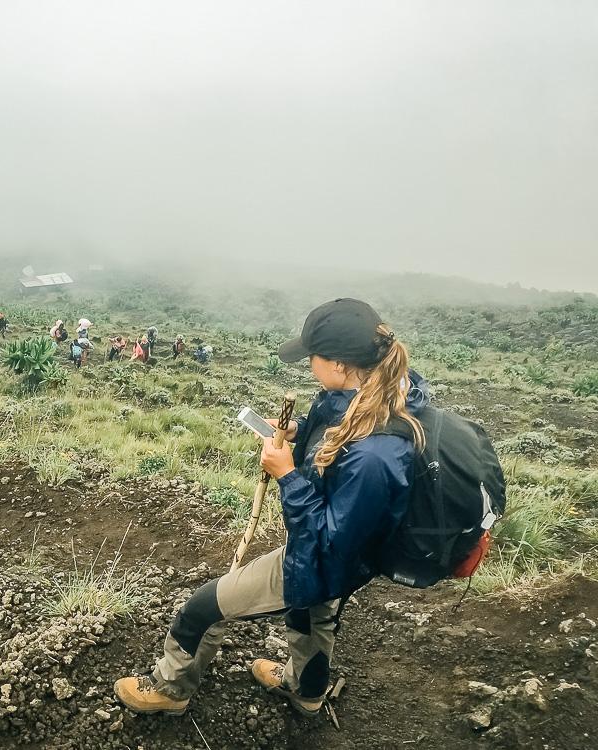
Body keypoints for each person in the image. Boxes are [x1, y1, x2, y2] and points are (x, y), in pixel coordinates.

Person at [114, 298, 428, 718]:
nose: (309, 365)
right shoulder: (373, 393)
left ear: (338, 364)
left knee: (204, 609)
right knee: (313, 618)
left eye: (313, 357)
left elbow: (327, 542)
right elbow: (339, 446)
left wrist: (286, 475)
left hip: (325, 557)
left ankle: (171, 690)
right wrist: (301, 433)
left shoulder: (375, 454)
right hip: (351, 558)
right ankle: (307, 692)